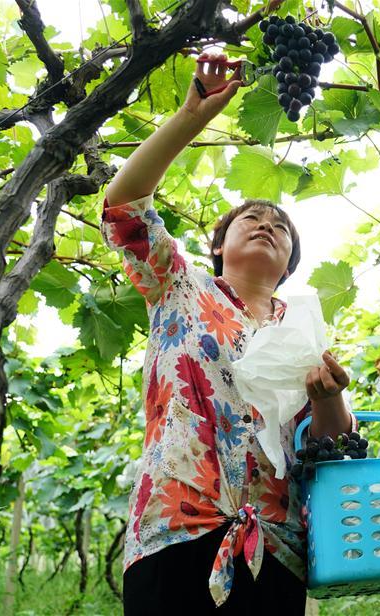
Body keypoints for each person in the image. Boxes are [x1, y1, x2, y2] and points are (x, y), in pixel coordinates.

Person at [103, 53, 355, 615]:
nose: (268, 225)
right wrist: (192, 116)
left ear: (288, 263)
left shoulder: (304, 328)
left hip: (275, 544)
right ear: (218, 245)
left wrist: (329, 398)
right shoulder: (180, 287)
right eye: (252, 219)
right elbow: (123, 206)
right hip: (177, 526)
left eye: (281, 227)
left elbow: (328, 446)